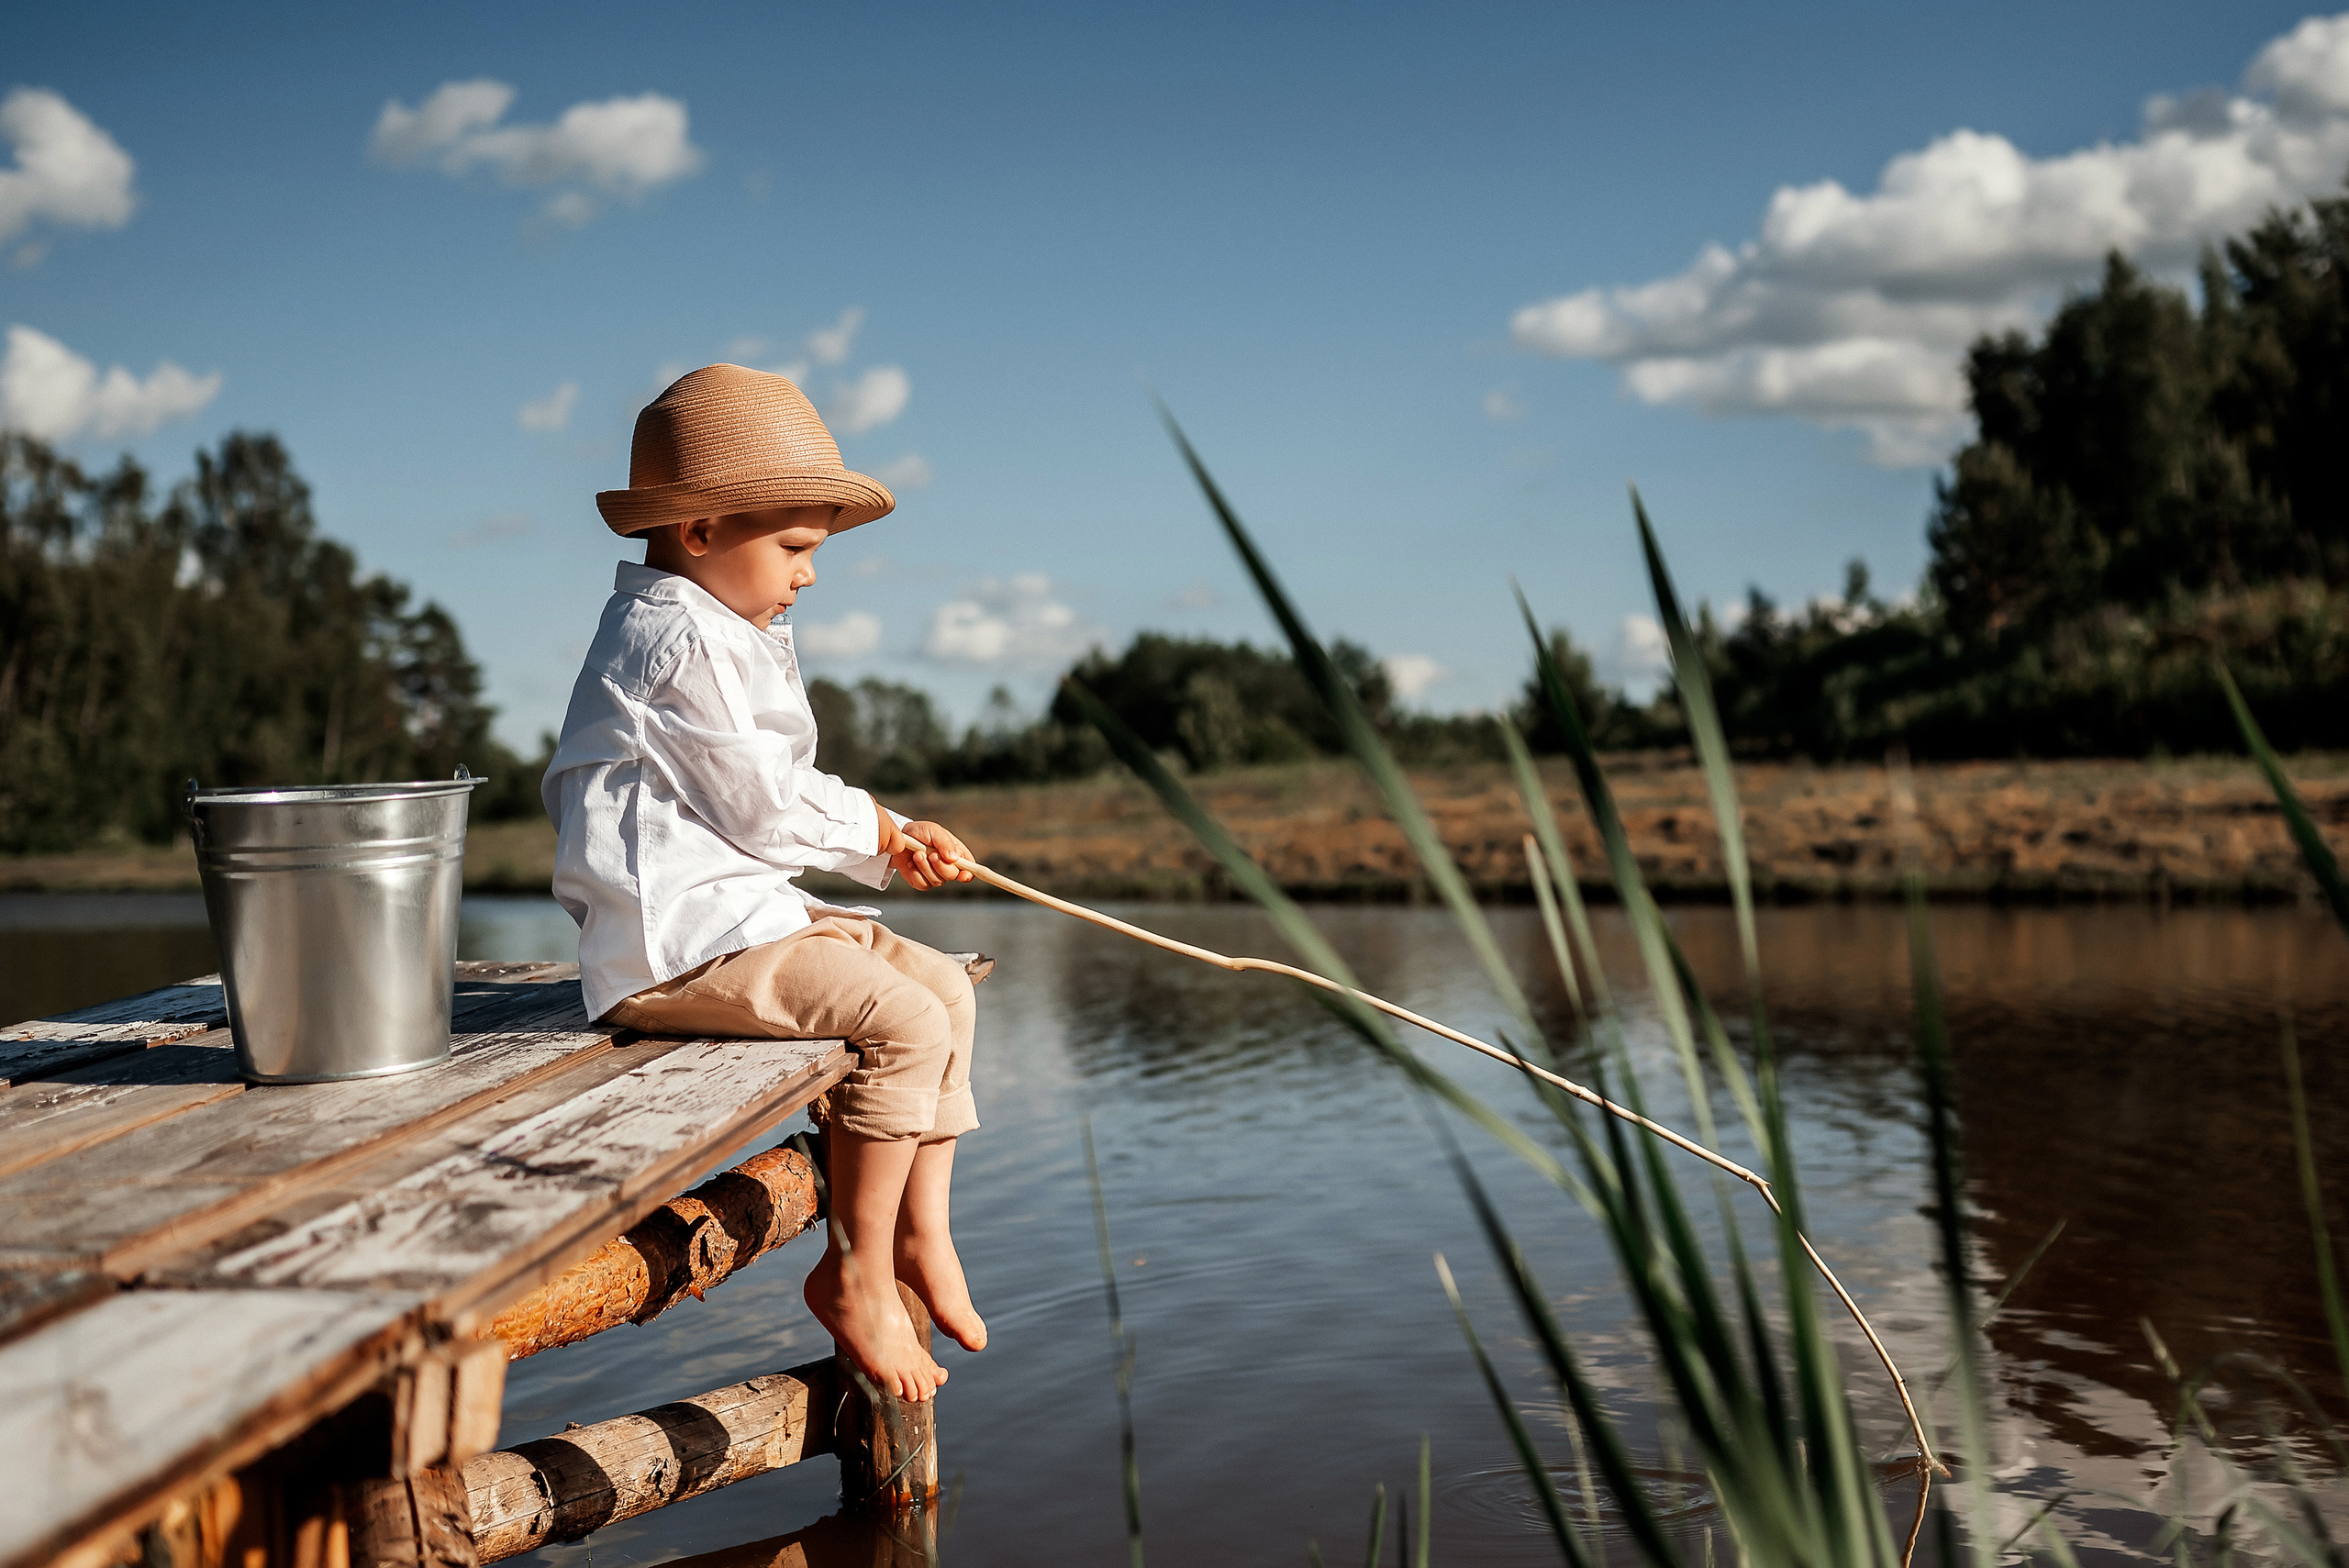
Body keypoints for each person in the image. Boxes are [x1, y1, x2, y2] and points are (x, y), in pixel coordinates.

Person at [542, 363, 982, 1404]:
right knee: (905, 1023)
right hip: (675, 949)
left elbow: (769, 790)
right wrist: (876, 827)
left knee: (944, 987)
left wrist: (888, 835)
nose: (809, 574)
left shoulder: (721, 628)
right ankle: (856, 1272)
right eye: (792, 547)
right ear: (697, 530)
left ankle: (917, 1236)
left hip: (744, 923)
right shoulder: (674, 637)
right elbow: (759, 804)